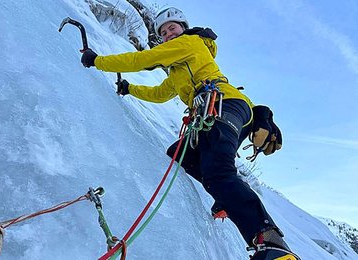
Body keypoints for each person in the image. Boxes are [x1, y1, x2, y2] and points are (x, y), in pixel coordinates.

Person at [80, 7, 299, 260]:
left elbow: (142, 60)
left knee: (218, 172)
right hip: (215, 112)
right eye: (162, 32)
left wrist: (98, 61)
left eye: (172, 28)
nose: (168, 34)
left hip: (225, 105)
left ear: (183, 28)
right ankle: (228, 196)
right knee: (179, 154)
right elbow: (160, 94)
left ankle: (273, 244)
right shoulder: (178, 71)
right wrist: (129, 88)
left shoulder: (190, 43)